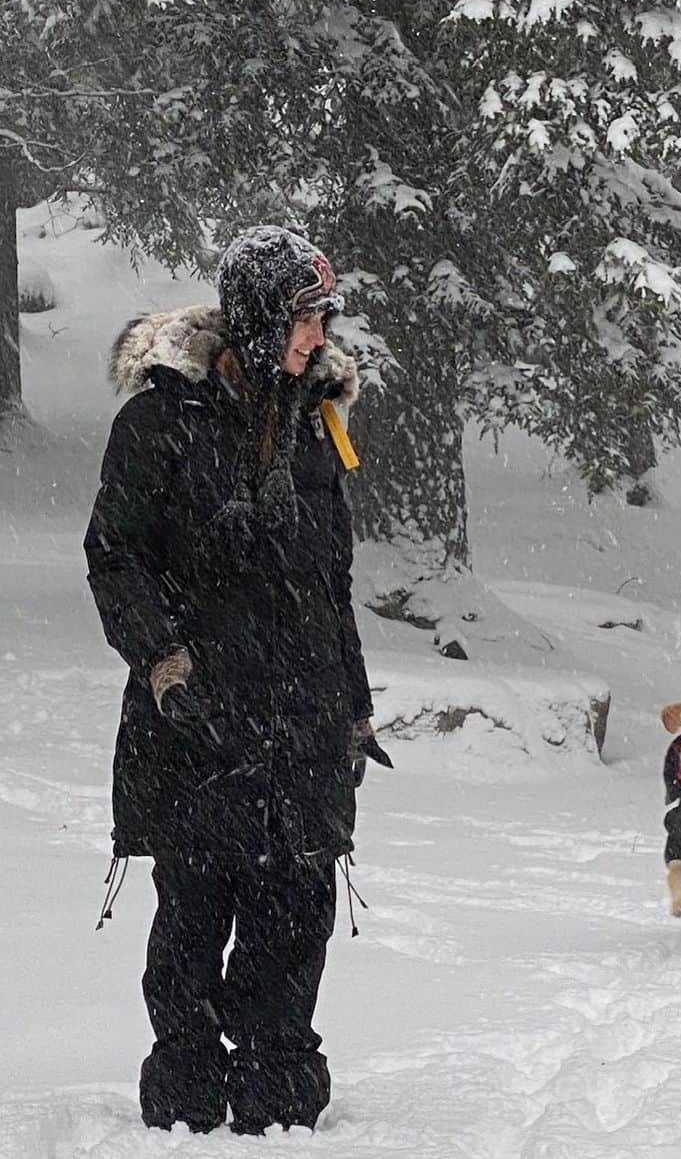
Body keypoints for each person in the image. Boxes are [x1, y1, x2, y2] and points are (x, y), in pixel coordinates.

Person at [84, 224, 389, 1135]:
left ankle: (277, 1070)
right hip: (199, 713)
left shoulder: (316, 426)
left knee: (296, 902)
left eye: (324, 316)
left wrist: (355, 704)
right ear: (258, 318)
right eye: (304, 317)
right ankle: (185, 1070)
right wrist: (163, 659)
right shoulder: (161, 419)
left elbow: (329, 583)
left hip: (302, 710)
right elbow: (115, 556)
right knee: (195, 900)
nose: (318, 336)